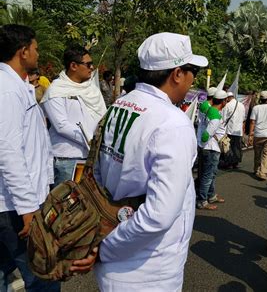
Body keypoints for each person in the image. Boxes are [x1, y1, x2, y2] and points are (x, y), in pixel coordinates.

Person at [69, 32, 209, 290]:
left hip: (116, 254)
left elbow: (97, 178)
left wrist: (100, 242)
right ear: (177, 73)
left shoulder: (120, 105)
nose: (192, 81)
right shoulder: (172, 123)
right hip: (146, 268)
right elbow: (158, 215)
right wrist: (106, 249)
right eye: (192, 73)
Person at [0, 24, 59, 291]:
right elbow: (8, 152)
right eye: (35, 49)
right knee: (43, 276)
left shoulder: (17, 86)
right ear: (23, 52)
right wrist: (27, 209)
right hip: (14, 207)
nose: (38, 53)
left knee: (8, 271)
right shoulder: (7, 91)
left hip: (18, 201)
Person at [41, 45, 107, 187]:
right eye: (88, 64)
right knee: (67, 205)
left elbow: (103, 117)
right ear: (73, 66)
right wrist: (90, 140)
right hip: (68, 159)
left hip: (92, 158)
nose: (92, 67)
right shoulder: (56, 90)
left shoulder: (92, 89)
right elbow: (61, 126)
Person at [196, 90, 228, 210]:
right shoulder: (215, 115)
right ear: (223, 101)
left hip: (209, 148)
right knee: (208, 176)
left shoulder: (210, 109)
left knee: (211, 174)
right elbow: (206, 134)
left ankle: (211, 196)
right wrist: (203, 144)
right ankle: (202, 201)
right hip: (211, 149)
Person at [248, 90, 267, 181]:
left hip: (258, 134)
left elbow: (252, 122)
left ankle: (256, 169)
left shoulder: (256, 108)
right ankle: (262, 172)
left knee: (257, 153)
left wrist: (251, 134)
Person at [221, 91, 246, 169]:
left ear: (228, 98)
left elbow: (223, 118)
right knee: (237, 147)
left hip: (230, 130)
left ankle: (229, 163)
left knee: (229, 147)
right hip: (238, 130)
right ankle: (236, 163)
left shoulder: (227, 105)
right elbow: (243, 118)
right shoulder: (242, 105)